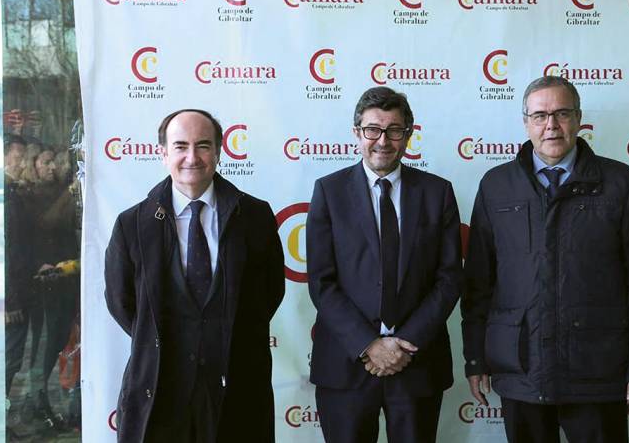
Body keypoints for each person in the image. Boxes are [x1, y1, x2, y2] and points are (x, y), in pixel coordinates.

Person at [461, 76, 629, 443]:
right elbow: (478, 285)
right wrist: (476, 358)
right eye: (539, 116)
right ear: (526, 122)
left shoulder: (621, 184)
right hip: (521, 370)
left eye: (561, 113)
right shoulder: (496, 185)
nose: (551, 125)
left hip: (597, 372)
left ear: (579, 118)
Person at [105, 109, 284, 442]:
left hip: (236, 389)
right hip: (159, 390)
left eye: (203, 145)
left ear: (218, 151)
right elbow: (121, 302)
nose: (192, 157)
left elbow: (269, 294)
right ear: (163, 154)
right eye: (180, 146)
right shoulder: (132, 225)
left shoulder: (255, 217)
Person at [306, 87, 463, 443]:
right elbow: (321, 281)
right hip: (347, 364)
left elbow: (449, 277)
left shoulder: (437, 193)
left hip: (416, 363)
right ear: (356, 133)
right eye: (373, 129)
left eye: (395, 130)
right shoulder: (329, 192)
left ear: (409, 134)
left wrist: (403, 344)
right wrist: (369, 345)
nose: (383, 140)